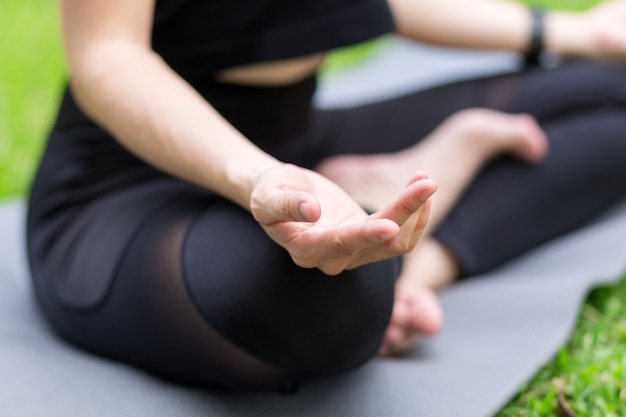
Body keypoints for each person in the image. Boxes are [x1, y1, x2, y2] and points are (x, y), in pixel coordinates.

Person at [27, 0, 626, 391]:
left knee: (613, 94)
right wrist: (261, 177)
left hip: (296, 142)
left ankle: (406, 247)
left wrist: (577, 33)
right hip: (129, 188)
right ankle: (402, 254)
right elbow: (108, 54)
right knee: (336, 299)